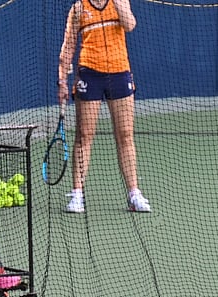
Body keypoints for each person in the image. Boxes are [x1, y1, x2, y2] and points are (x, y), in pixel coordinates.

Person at [58, 0, 151, 213]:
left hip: (120, 72)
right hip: (90, 73)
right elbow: (68, 45)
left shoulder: (120, 1)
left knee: (125, 135)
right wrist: (62, 80)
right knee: (84, 135)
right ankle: (77, 195)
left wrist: (118, 4)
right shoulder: (79, 8)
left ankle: (134, 194)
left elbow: (130, 25)